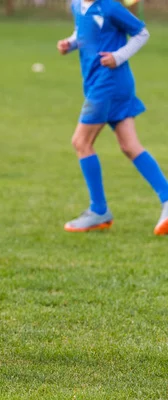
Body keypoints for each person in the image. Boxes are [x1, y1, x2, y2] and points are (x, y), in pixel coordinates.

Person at [58, 0, 168, 234]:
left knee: (81, 142)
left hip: (108, 83)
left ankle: (98, 210)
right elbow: (86, 31)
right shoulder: (77, 6)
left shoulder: (110, 7)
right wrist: (71, 43)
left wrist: (118, 56)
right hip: (101, 83)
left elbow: (141, 33)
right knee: (129, 145)